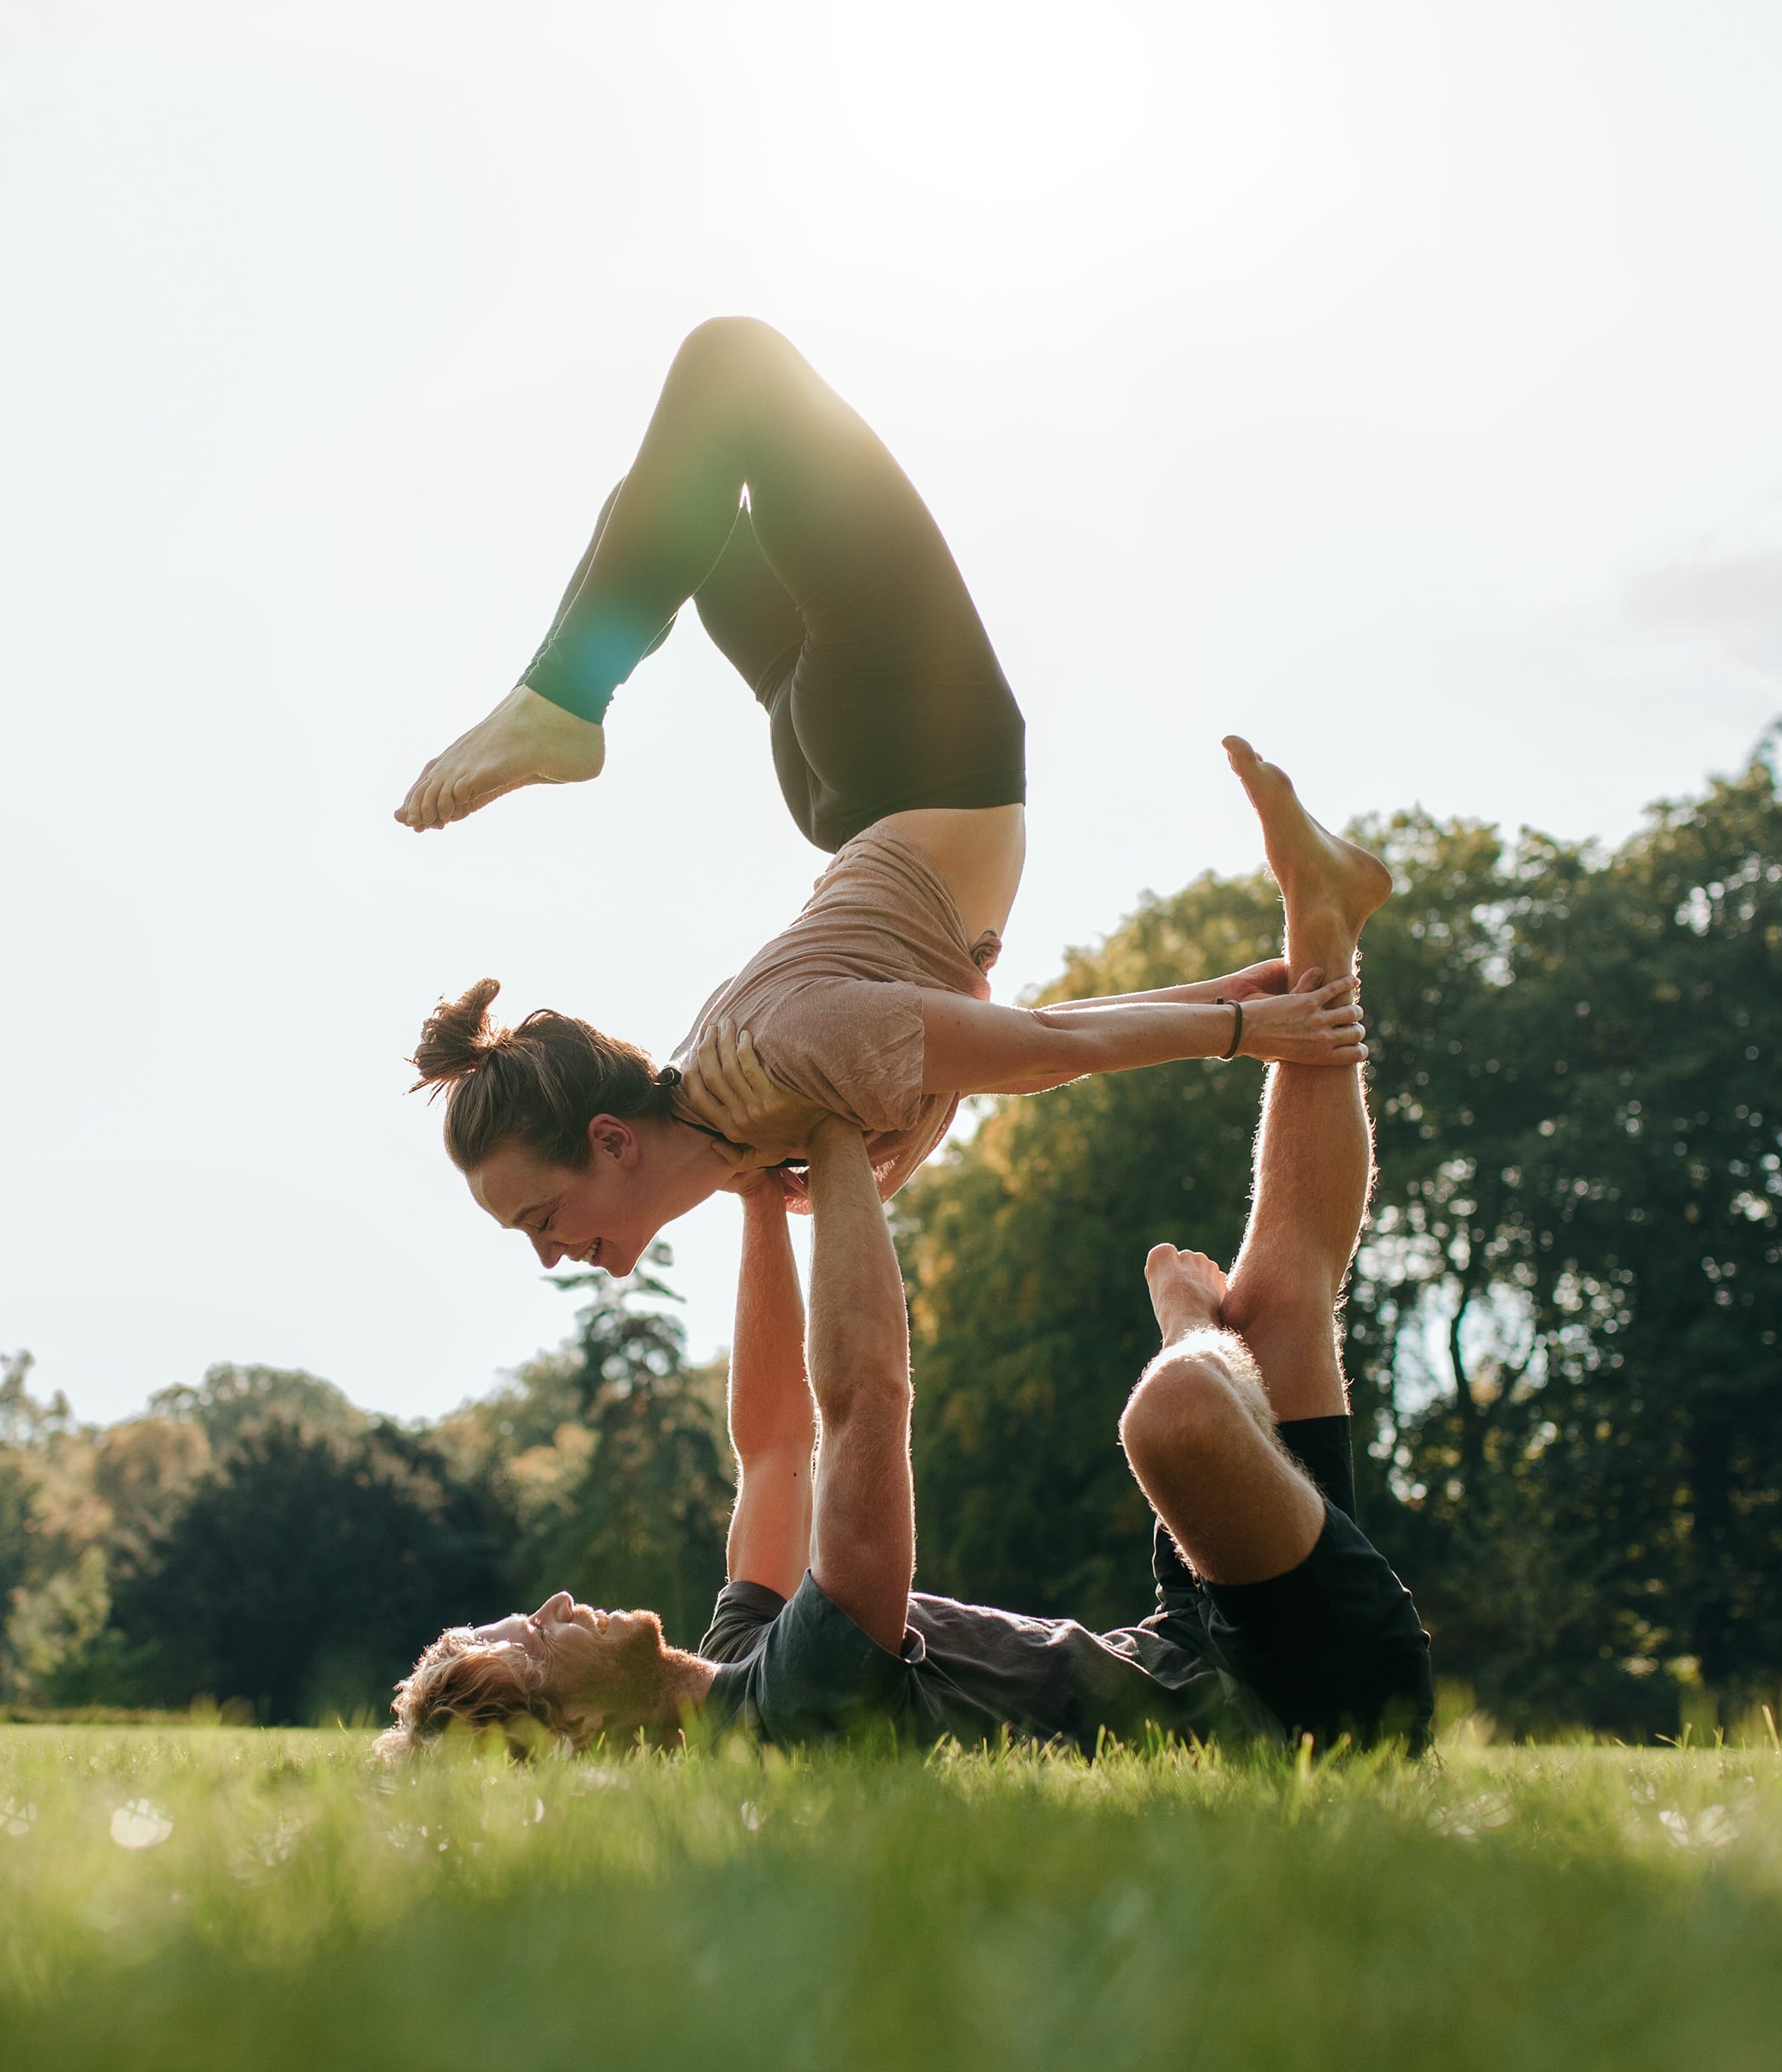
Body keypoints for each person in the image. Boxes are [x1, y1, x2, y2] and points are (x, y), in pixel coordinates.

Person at [379, 770, 1431, 1756]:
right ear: (571, 1734)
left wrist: (755, 1193)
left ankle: (1324, 915)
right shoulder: (796, 1709)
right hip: (1301, 1701)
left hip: (1198, 1641)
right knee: (1180, 1414)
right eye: (530, 1642)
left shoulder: (745, 1652)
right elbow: (864, 1401)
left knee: (1287, 1291)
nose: (558, 1604)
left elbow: (777, 1448)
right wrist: (831, 1129)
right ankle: (1192, 1325)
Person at [398, 316, 1368, 1279]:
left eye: (539, 1219)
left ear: (610, 1140)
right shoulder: (740, 1108)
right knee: (664, 497)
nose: (550, 1254)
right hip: (848, 786)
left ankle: (563, 700)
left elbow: (1037, 1050)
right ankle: (566, 692)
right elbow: (1013, 1041)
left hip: (915, 760)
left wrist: (1241, 1034)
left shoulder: (776, 1056)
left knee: (733, 371)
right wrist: (1215, 998)